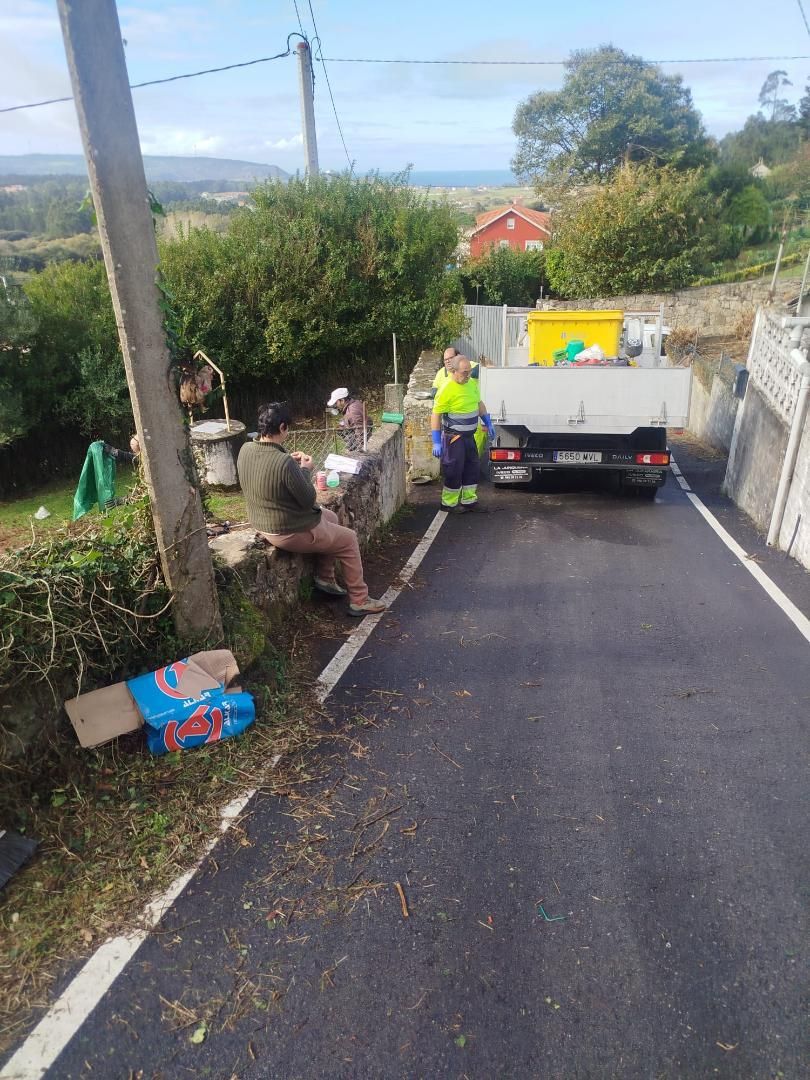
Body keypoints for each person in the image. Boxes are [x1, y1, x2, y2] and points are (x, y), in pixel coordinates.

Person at [237, 402, 387, 616]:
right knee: (349, 539)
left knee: (332, 517)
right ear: (282, 428)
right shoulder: (282, 463)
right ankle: (360, 599)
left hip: (266, 523)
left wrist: (289, 462)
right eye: (287, 428)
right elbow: (308, 499)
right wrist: (305, 470)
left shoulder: (246, 449)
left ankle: (324, 577)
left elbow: (267, 466)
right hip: (289, 529)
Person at [431, 354, 495, 513]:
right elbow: (436, 415)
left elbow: (478, 403)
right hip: (454, 438)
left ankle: (469, 500)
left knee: (472, 468)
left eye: (469, 371)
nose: (468, 375)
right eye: (464, 372)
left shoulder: (471, 384)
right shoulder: (446, 388)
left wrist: (487, 421)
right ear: (454, 371)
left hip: (469, 437)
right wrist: (436, 441)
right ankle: (449, 503)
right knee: (454, 469)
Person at [327, 387, 372, 452]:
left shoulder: (352, 412)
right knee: (340, 427)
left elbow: (360, 432)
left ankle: (352, 449)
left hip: (359, 439)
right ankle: (351, 447)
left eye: (336, 403)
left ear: (342, 400)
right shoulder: (355, 402)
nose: (335, 405)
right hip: (360, 431)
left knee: (342, 429)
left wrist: (359, 450)